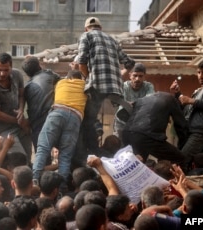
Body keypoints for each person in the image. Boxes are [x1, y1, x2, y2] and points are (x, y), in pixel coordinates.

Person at [77, 16, 135, 153]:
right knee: (124, 116)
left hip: (96, 85)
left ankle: (93, 152)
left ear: (86, 28)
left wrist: (87, 78)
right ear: (101, 28)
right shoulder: (112, 39)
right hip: (115, 88)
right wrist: (119, 75)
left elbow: (81, 63)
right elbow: (130, 63)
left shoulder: (86, 36)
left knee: (88, 121)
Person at [32, 70, 87, 193]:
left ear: (68, 77)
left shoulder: (61, 82)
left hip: (57, 113)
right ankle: (61, 189)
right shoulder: (85, 86)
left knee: (43, 148)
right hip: (75, 117)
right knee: (65, 156)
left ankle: (35, 180)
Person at [0, 52, 32, 162]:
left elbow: (21, 95)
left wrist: (21, 109)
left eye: (6, 70)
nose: (2, 73)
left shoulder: (17, 75)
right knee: (19, 161)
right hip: (3, 129)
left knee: (28, 159)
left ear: (11, 67)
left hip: (19, 125)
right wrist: (18, 121)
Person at [122, 92, 188, 170]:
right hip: (147, 136)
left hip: (126, 133)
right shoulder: (172, 100)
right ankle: (176, 181)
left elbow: (125, 114)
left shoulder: (142, 99)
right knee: (180, 158)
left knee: (136, 165)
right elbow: (181, 125)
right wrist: (183, 144)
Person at [172, 59, 203, 167]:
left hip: (200, 132)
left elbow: (194, 103)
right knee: (183, 161)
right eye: (199, 72)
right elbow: (189, 109)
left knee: (182, 161)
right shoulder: (198, 91)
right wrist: (178, 94)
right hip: (191, 130)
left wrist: (191, 101)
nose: (200, 76)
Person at [22, 56, 60, 152]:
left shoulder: (27, 87)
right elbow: (60, 79)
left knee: (41, 155)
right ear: (39, 65)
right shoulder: (48, 74)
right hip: (55, 119)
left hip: (36, 125)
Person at [113, 63, 155, 138]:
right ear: (130, 76)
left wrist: (134, 103)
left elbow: (150, 101)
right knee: (119, 144)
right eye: (135, 75)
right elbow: (124, 104)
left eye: (140, 76)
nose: (137, 79)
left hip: (139, 122)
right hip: (122, 122)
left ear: (144, 77)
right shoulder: (124, 86)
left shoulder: (148, 86)